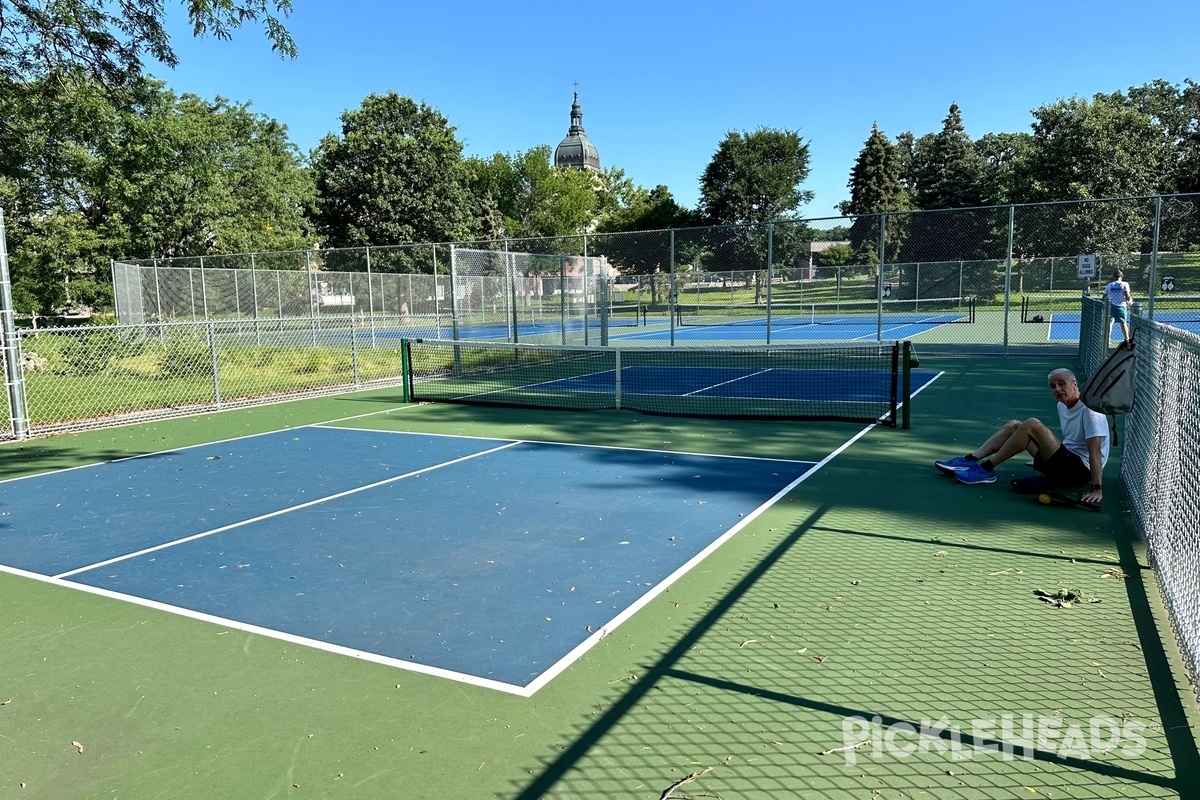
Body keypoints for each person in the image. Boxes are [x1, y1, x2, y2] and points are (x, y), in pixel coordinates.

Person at [934, 368, 1109, 505]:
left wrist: (1097, 489)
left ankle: (986, 469)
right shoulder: (1062, 406)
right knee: (1014, 425)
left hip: (1079, 472)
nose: (1057, 389)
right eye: (1053, 386)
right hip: (1063, 464)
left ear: (1075, 384)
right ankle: (969, 459)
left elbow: (1095, 452)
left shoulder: (1090, 410)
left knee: (1032, 423)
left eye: (1062, 384)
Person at [1103, 269, 1133, 346]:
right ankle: (1127, 339)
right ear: (1121, 276)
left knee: (1109, 323)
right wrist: (1129, 300)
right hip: (1121, 306)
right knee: (1123, 323)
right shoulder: (1125, 284)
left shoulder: (1110, 285)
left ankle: (1107, 339)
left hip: (1111, 306)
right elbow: (1127, 294)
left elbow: (1104, 296)